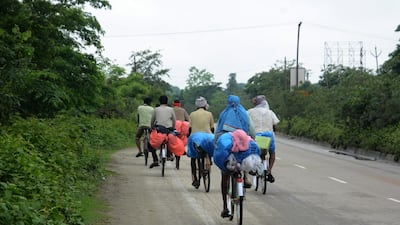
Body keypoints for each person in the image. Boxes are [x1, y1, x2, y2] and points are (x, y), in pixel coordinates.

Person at [214, 95, 255, 218]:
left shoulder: (224, 113)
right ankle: (246, 177)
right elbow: (252, 131)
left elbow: (218, 132)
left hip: (227, 146)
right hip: (241, 145)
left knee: (224, 175)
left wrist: (216, 144)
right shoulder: (244, 113)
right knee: (244, 156)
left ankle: (225, 207)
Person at [247, 95, 280, 183]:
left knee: (250, 152)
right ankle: (269, 171)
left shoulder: (250, 112)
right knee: (272, 153)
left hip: (256, 137)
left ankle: (253, 169)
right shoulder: (270, 112)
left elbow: (247, 124)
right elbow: (275, 125)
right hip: (268, 137)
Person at [188, 96, 214, 188]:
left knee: (193, 157)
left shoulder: (192, 114)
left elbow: (190, 128)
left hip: (195, 138)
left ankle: (195, 178)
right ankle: (209, 161)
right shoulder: (209, 114)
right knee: (209, 149)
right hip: (208, 137)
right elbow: (212, 128)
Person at [148, 95, 176, 168]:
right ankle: (169, 154)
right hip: (168, 129)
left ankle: (155, 160)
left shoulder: (156, 109)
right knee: (170, 139)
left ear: (159, 101)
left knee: (150, 142)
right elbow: (174, 120)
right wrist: (173, 127)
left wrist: (152, 127)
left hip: (159, 129)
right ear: (167, 101)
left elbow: (152, 120)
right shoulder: (171, 109)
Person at [172, 99, 190, 169]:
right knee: (182, 140)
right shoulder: (183, 110)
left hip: (173, 129)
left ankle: (169, 153)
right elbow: (188, 119)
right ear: (180, 104)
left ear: (173, 104)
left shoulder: (171, 110)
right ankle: (182, 150)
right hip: (181, 130)